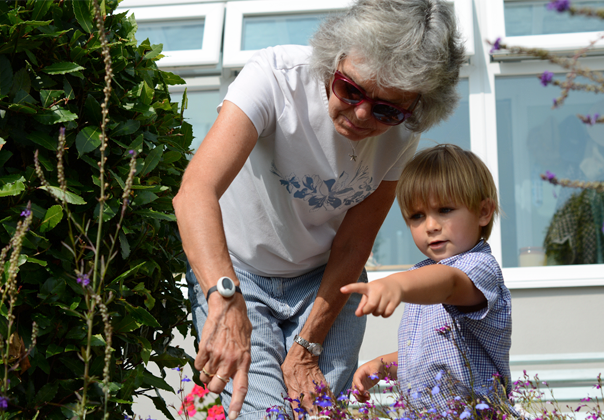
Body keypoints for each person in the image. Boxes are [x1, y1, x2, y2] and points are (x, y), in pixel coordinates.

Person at [172, 0, 465, 418]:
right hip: (238, 272)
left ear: (414, 107)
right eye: (351, 89)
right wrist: (224, 299)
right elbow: (195, 191)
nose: (362, 114)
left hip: (325, 284)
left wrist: (308, 345)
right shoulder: (274, 78)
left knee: (317, 412)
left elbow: (353, 243)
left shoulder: (401, 135)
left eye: (386, 109)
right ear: (335, 57)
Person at [341, 144, 512, 411]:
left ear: (483, 212)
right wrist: (385, 365)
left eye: (444, 210)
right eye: (417, 216)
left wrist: (397, 283)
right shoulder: (421, 277)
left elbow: (450, 283)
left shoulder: (480, 267)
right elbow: (436, 353)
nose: (430, 226)